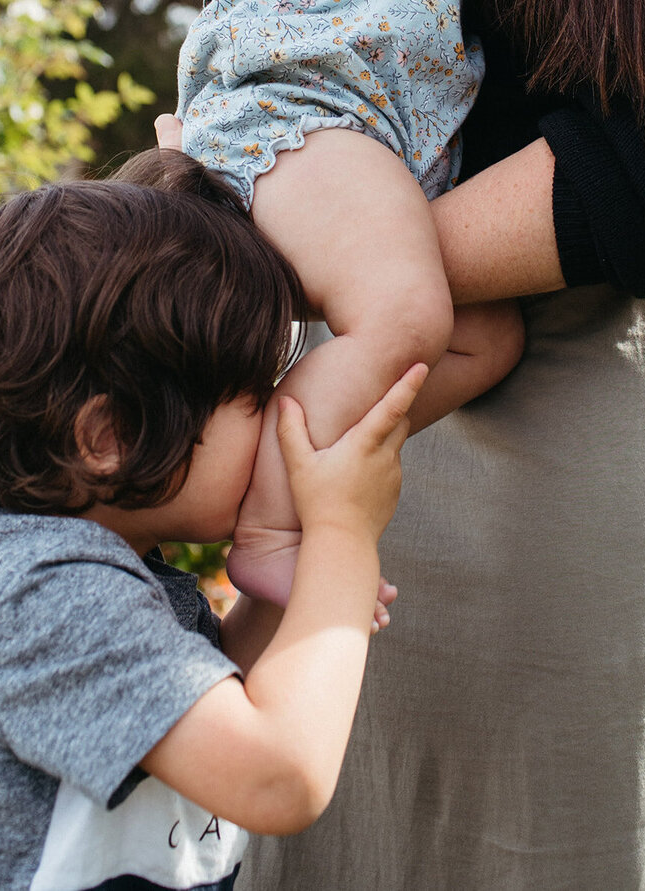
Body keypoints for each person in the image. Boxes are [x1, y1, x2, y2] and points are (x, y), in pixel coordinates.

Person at [174, 0, 645, 886]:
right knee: (355, 786)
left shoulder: (376, 275)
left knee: (563, 807)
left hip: (604, 312)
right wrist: (357, 271)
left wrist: (362, 274)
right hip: (380, 290)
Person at [0, 155, 428, 890]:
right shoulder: (41, 597)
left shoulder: (81, 567)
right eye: (249, 394)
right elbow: (278, 777)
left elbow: (225, 695)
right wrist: (343, 534)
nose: (277, 409)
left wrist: (295, 574)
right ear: (110, 436)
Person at [173, 0, 525, 607]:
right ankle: (272, 524)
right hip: (303, 107)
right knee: (406, 317)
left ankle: (284, 463)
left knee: (489, 340)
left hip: (384, 129)